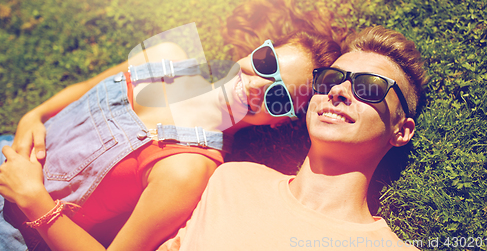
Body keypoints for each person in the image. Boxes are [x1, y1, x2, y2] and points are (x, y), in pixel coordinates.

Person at [0, 0, 346, 251]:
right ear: (258, 48)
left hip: (15, 230)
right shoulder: (167, 58)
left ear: (279, 121)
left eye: (279, 96)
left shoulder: (189, 168)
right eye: (266, 62)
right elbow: (84, 89)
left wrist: (34, 199)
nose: (256, 85)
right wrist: (35, 115)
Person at [158, 26, 428, 251]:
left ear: (401, 131)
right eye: (330, 79)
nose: (338, 91)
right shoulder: (231, 180)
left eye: (369, 87)